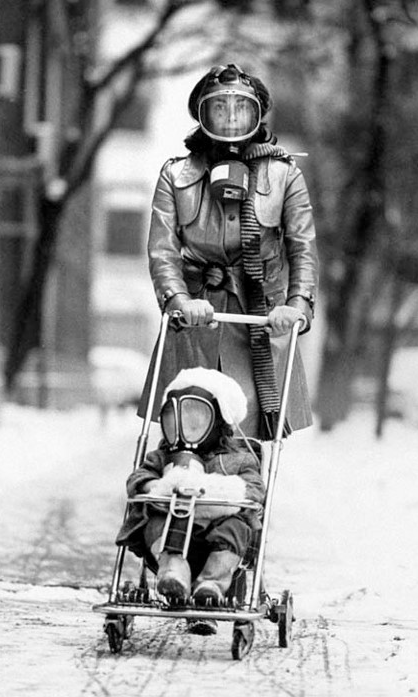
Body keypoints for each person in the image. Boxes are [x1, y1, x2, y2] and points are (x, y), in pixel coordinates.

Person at [140, 62, 319, 440]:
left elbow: (303, 248)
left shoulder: (284, 175)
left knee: (249, 434)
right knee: (186, 420)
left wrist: (296, 306)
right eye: (220, 109)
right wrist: (179, 300)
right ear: (202, 115)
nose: (231, 118)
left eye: (241, 108)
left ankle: (247, 488)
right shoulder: (177, 175)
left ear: (257, 114)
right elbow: (162, 251)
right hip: (195, 320)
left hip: (261, 320)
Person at [116, 367, 266, 634]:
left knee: (236, 526)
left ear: (218, 423)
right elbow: (137, 479)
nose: (184, 430)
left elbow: (254, 491)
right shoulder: (162, 457)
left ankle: (211, 584)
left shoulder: (239, 460)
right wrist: (158, 486)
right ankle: (173, 574)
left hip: (217, 536)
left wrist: (220, 491)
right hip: (172, 539)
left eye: (194, 422)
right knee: (156, 521)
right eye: (176, 421)